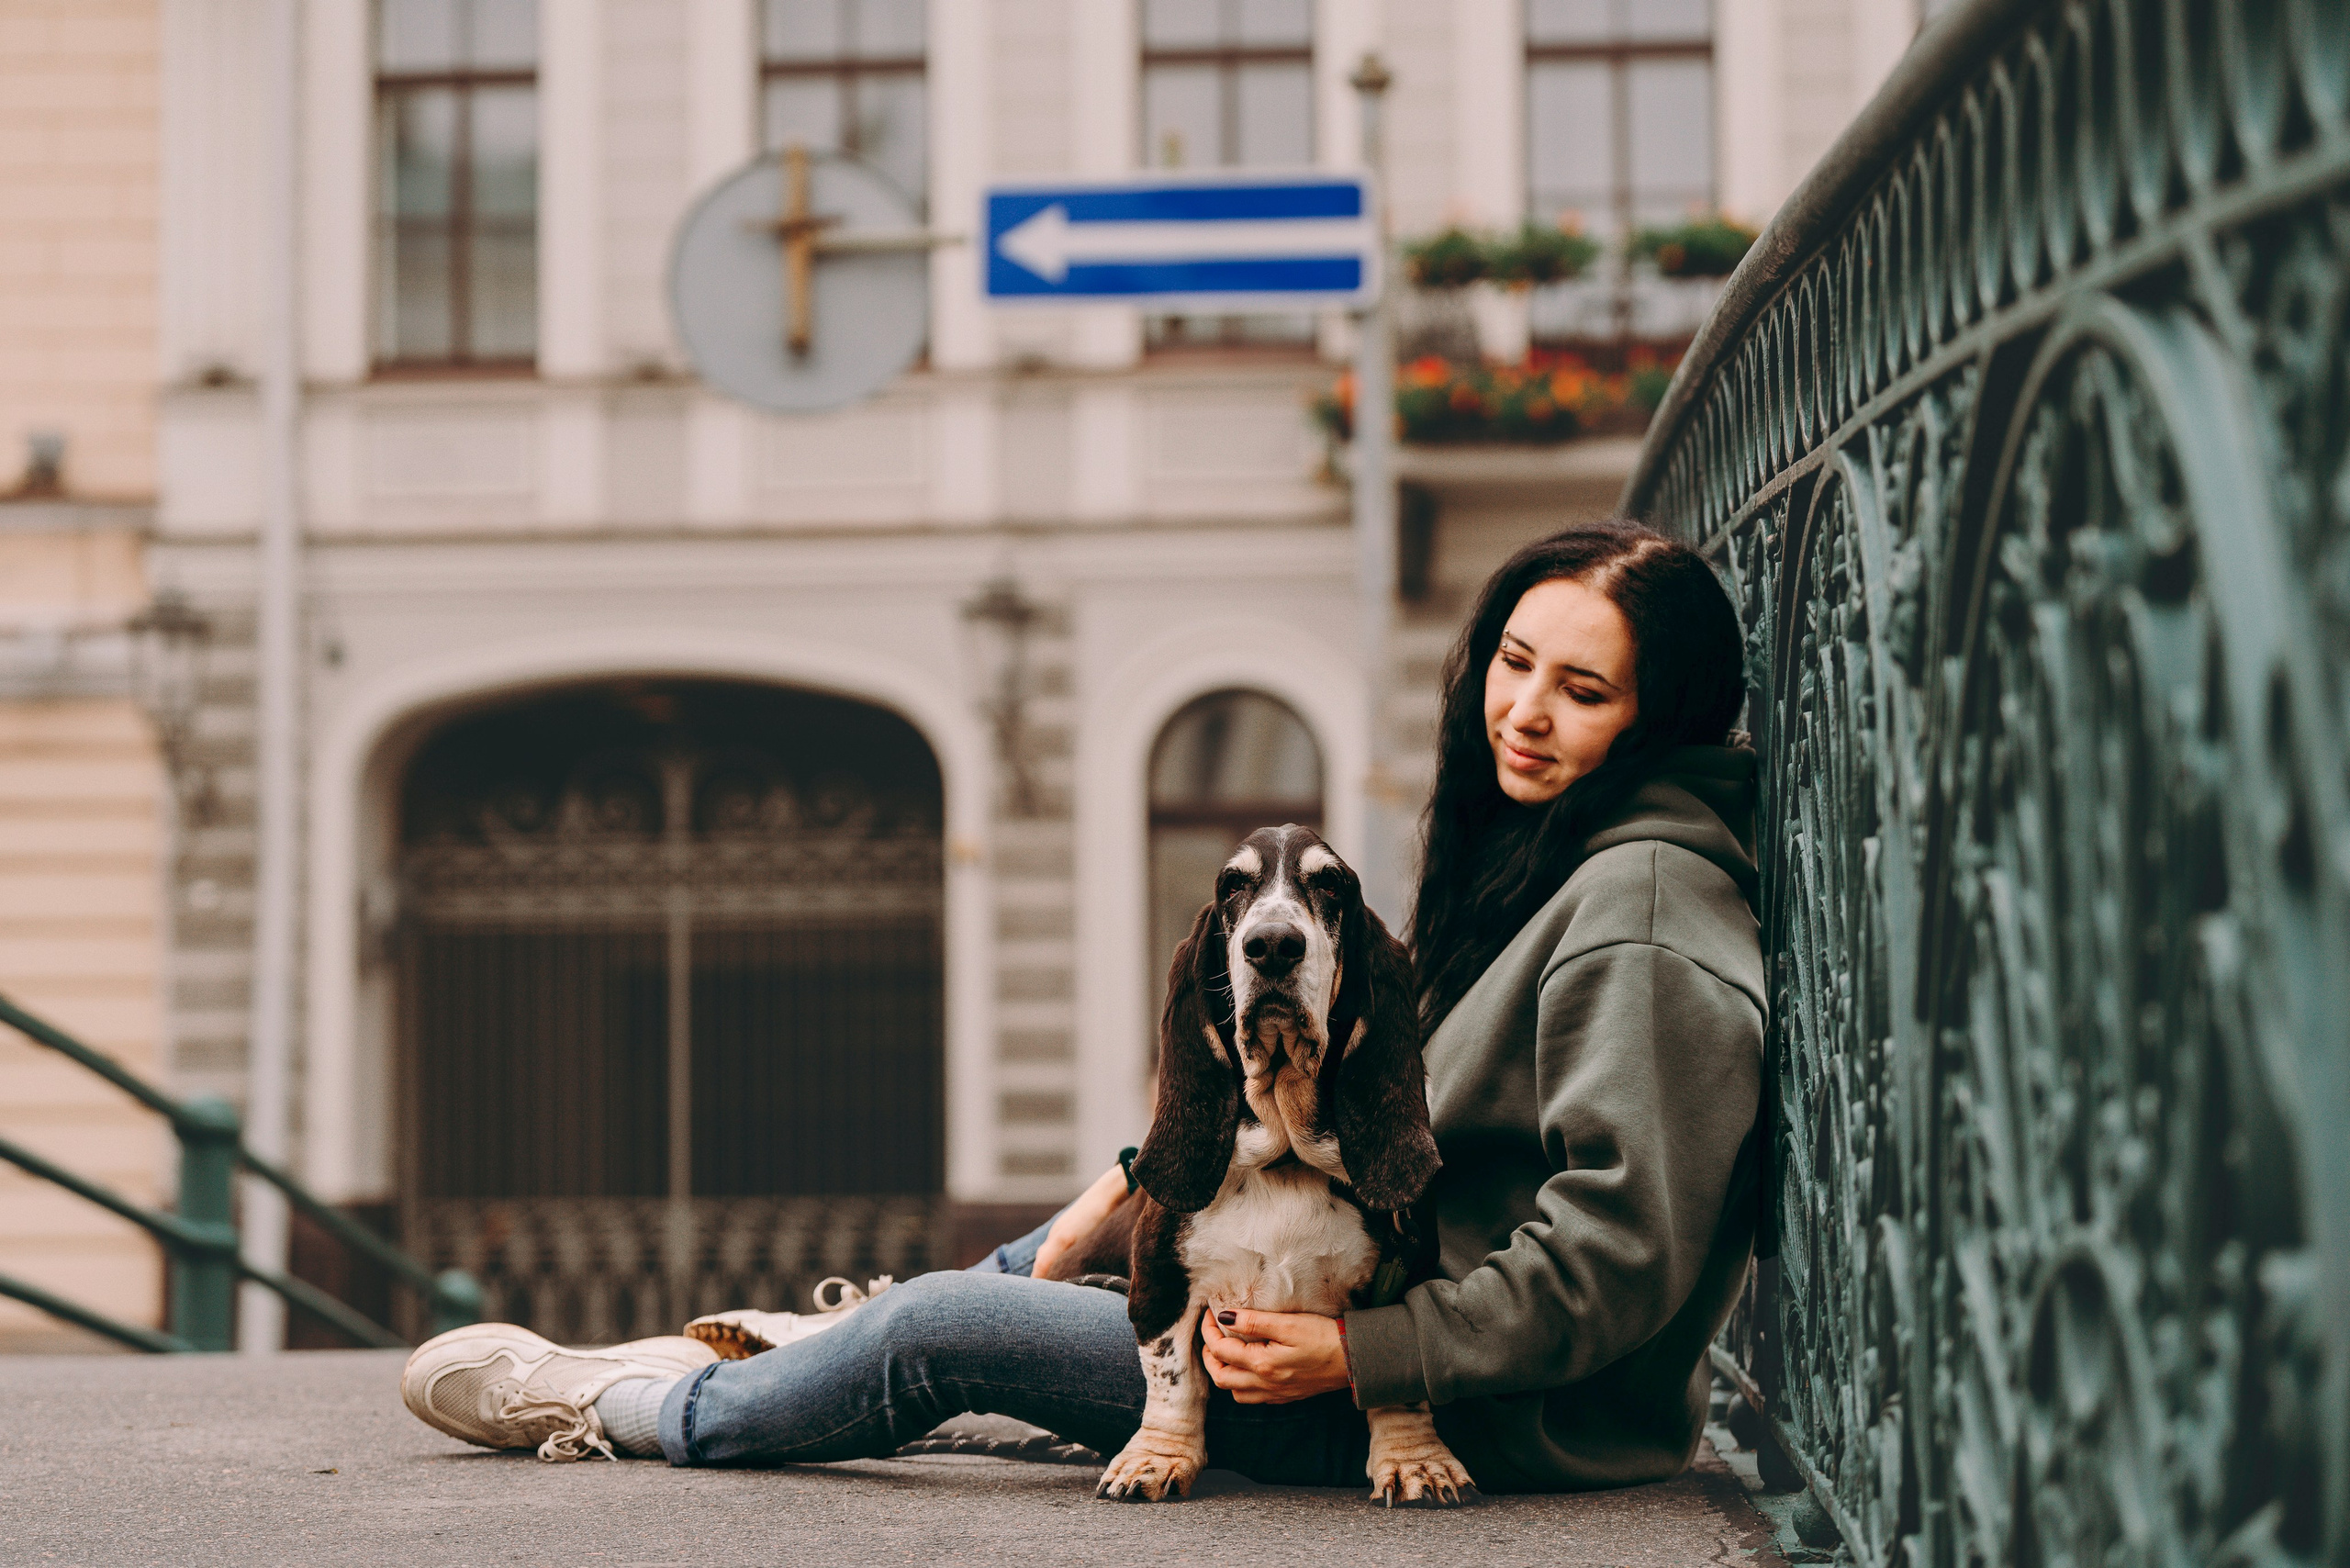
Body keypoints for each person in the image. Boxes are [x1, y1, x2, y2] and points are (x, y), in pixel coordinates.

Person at [400, 521, 1764, 1494]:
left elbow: (1623, 1253)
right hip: (1329, 1294)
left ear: (1659, 720)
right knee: (1061, 1240)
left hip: (1452, 1406)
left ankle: (641, 1406)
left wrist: (1366, 1355)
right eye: (1514, 662)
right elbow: (1366, 1102)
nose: (1522, 712)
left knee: (943, 1334)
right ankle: (812, 1355)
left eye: (1582, 691)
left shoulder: (1641, 909)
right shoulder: (1555, 864)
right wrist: (1129, 1183)